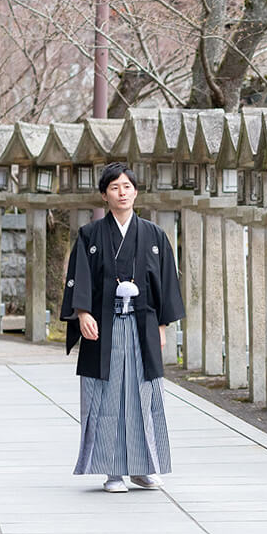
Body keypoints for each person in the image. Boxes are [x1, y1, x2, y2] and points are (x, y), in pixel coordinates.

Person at [60, 163, 185, 493]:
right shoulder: (90, 235)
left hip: (141, 325)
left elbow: (165, 283)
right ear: (104, 195)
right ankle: (112, 471)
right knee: (106, 396)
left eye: (127, 186)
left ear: (136, 192)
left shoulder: (154, 235)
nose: (122, 192)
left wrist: (161, 323)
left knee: (143, 395)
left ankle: (144, 468)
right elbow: (80, 277)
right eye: (114, 187)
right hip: (105, 325)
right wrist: (82, 313)